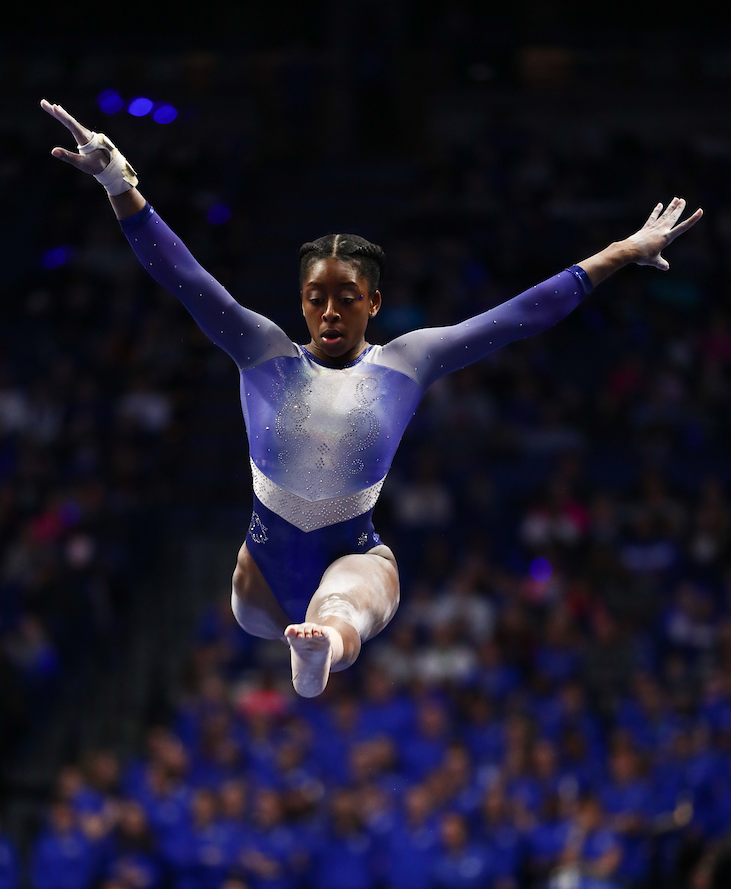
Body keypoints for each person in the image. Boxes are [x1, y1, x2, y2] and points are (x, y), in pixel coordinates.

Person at [41, 99, 702, 698]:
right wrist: (118, 182)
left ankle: (322, 643)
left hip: (351, 554)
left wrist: (621, 250)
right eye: (315, 298)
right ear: (300, 302)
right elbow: (181, 275)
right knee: (291, 604)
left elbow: (522, 314)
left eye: (347, 298)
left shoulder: (408, 362)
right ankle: (317, 639)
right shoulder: (260, 349)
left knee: (349, 597)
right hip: (261, 575)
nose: (330, 313)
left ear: (374, 303)